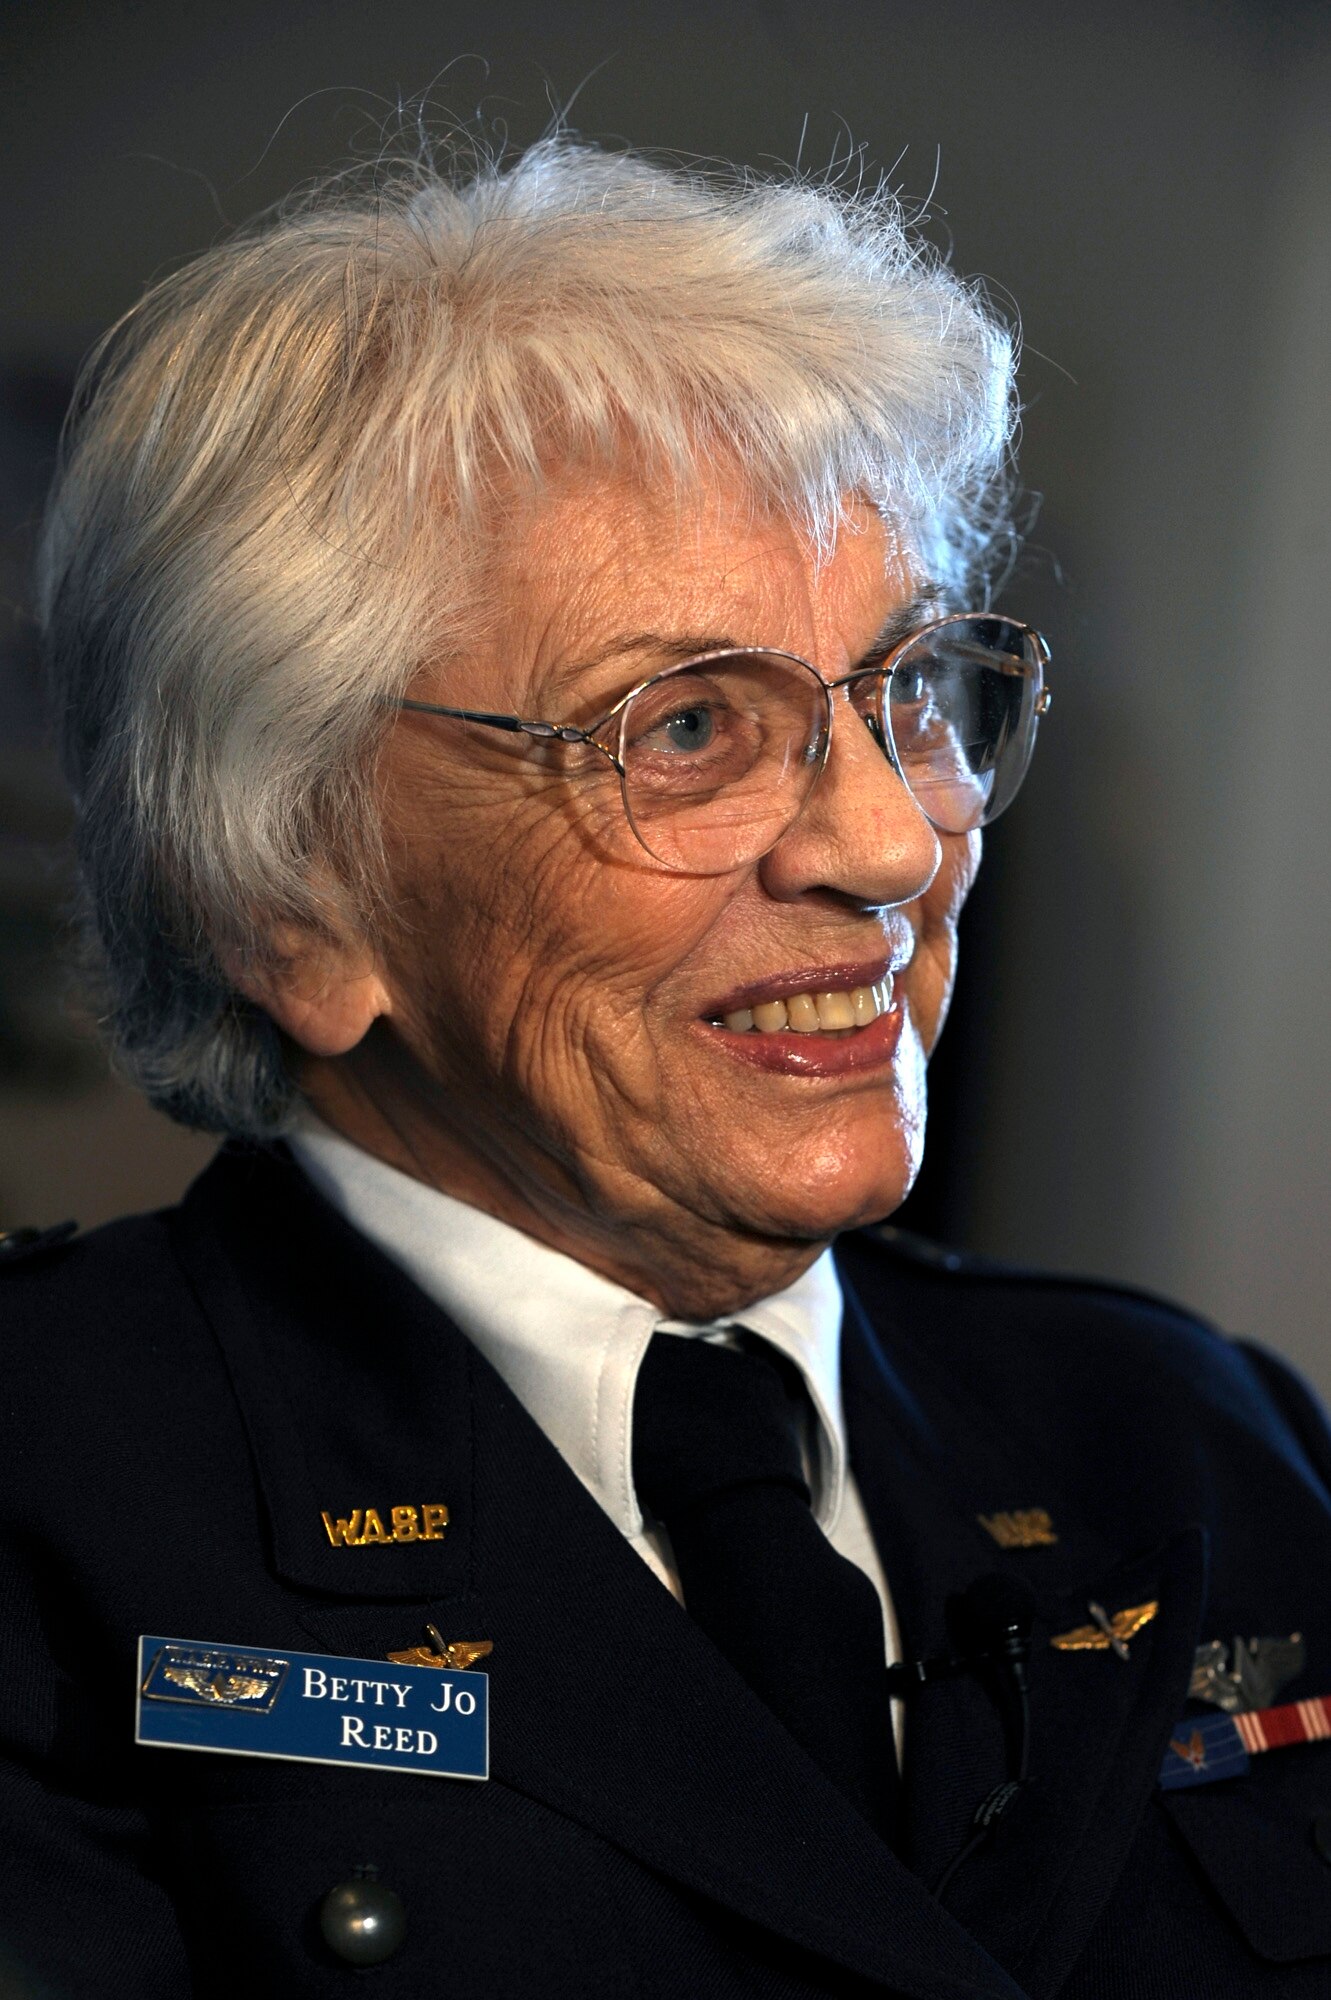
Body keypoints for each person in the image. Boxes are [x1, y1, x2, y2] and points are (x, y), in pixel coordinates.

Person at [3, 135, 1329, 1999]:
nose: (883, 845)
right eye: (691, 727)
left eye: (913, 691)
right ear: (290, 898)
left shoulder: (1201, 1442)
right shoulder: (52, 1490)